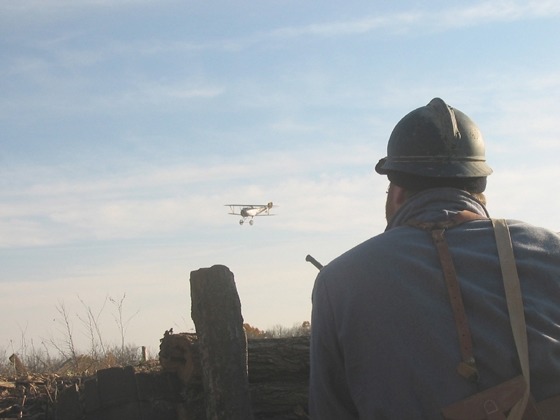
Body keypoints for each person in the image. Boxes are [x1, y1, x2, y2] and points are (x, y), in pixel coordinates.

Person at [309, 98, 560, 419]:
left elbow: (329, 411)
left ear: (397, 191)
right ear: (479, 188)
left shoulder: (339, 281)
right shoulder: (550, 250)